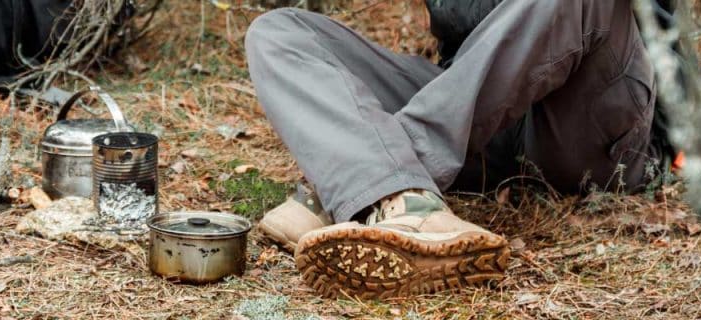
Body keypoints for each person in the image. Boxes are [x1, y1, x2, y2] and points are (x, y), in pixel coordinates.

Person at [245, 0, 669, 300]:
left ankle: (377, 182)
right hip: (478, 111)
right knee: (280, 32)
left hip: (584, 125)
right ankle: (391, 186)